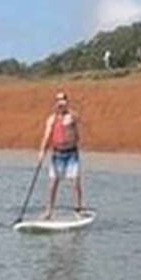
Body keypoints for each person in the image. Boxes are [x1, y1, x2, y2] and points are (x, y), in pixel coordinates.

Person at [38, 90, 85, 218]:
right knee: (53, 183)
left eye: (63, 99)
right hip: (57, 154)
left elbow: (78, 120)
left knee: (75, 181)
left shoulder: (72, 116)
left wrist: (67, 110)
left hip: (71, 154)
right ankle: (49, 211)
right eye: (58, 100)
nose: (60, 102)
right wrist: (42, 152)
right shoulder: (51, 119)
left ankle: (78, 209)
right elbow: (46, 136)